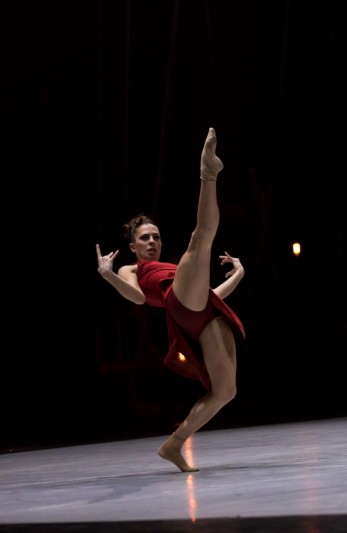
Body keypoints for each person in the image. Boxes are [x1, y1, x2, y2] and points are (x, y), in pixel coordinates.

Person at [95, 127, 245, 472]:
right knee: (201, 238)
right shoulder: (133, 269)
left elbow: (208, 296)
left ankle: (174, 444)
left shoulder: (175, 271)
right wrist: (108, 275)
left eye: (156, 237)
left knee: (226, 391)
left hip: (201, 311)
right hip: (183, 307)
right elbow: (135, 298)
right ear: (133, 245)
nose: (152, 242)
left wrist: (238, 275)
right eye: (145, 238)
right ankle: (208, 173)